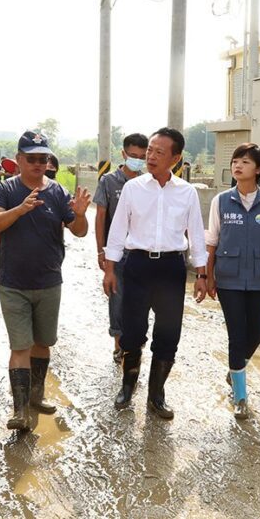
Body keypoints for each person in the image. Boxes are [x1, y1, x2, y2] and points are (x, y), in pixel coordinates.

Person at [0, 131, 91, 431]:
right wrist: (20, 209)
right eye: (31, 158)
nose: (37, 164)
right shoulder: (5, 190)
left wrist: (81, 215)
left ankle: (36, 395)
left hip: (48, 280)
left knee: (43, 343)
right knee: (20, 346)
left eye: (42, 159)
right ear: (18, 159)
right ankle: (20, 411)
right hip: (13, 282)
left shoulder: (57, 192)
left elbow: (79, 231)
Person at [103, 127, 208, 419]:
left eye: (159, 152)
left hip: (171, 268)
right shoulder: (133, 189)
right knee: (132, 332)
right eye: (150, 150)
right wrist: (110, 268)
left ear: (176, 158)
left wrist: (201, 273)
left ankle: (156, 395)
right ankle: (127, 386)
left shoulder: (187, 193)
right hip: (136, 265)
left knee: (168, 333)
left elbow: (196, 234)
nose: (150, 156)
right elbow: (118, 229)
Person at [205, 144, 260, 419]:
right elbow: (212, 241)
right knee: (236, 336)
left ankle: (234, 371)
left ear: (259, 169)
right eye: (235, 161)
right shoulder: (221, 201)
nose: (237, 166)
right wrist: (207, 276)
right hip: (228, 279)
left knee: (256, 335)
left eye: (245, 162)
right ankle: (240, 397)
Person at [93, 133, 148, 363]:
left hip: (141, 254)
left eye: (141, 157)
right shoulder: (108, 181)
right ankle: (118, 345)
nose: (137, 160)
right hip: (116, 254)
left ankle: (136, 343)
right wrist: (101, 250)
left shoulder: (148, 182)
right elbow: (100, 216)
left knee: (140, 300)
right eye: (133, 156)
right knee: (117, 298)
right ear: (123, 154)